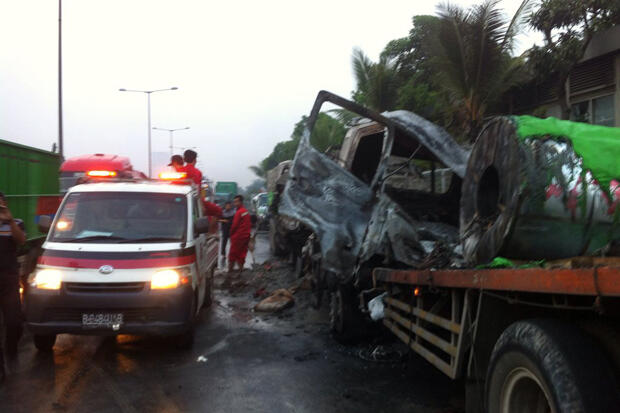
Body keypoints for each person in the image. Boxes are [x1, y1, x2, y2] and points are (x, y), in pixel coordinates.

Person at [0, 192, 26, 364]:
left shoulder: (16, 223)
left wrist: (9, 221)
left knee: (14, 320)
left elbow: (21, 240)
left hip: (9, 277)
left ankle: (11, 350)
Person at [228, 195, 252, 273]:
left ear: (241, 202)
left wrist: (230, 234)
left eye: (236, 201)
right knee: (241, 254)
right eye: (234, 202)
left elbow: (234, 226)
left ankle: (230, 272)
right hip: (245, 237)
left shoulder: (239, 212)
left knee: (232, 255)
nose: (235, 203)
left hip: (238, 237)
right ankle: (240, 272)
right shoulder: (246, 211)